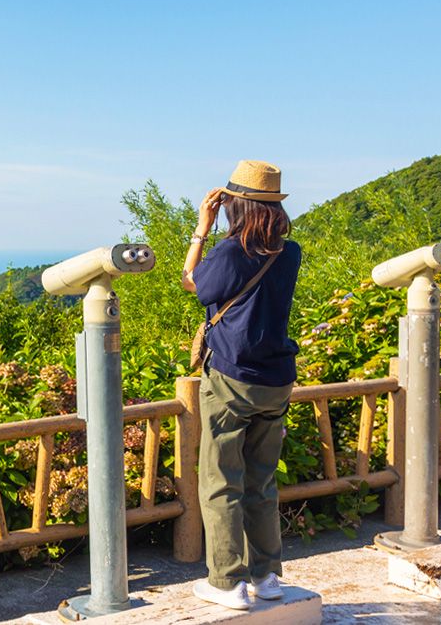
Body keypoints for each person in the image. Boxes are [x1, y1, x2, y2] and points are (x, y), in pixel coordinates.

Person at [180, 160, 301, 610]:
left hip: (233, 379)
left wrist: (201, 229)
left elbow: (192, 283)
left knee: (220, 481)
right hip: (277, 381)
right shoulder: (290, 253)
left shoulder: (230, 253)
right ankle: (267, 576)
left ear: (236, 206)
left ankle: (228, 582)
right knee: (261, 481)